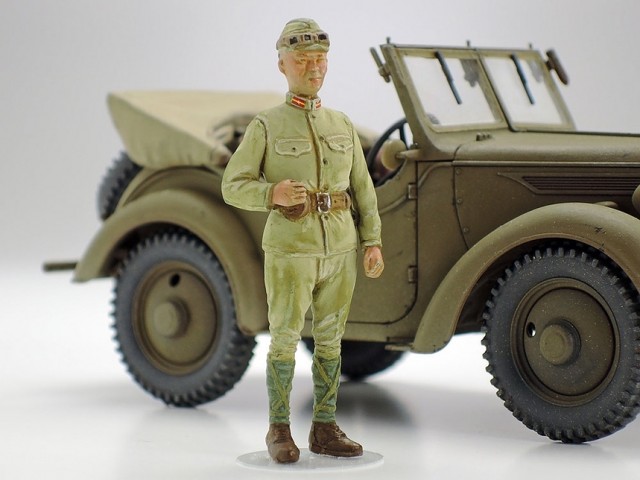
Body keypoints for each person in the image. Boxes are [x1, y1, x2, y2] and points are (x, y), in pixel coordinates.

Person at [221, 18, 383, 464]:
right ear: (283, 66)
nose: (314, 69)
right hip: (291, 251)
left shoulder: (341, 124)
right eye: (303, 60)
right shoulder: (267, 125)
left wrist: (371, 241)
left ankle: (325, 427)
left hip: (339, 250)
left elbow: (363, 189)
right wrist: (270, 194)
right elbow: (232, 185)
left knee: (331, 339)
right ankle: (278, 428)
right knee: (285, 338)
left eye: (320, 60)